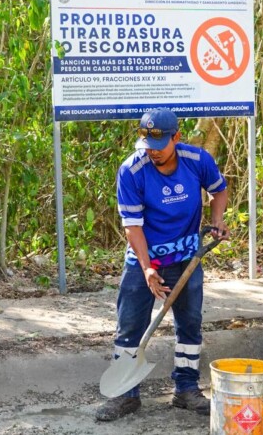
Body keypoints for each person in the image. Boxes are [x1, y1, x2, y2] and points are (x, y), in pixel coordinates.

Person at [95, 108, 230, 421]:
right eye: (148, 145)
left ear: (177, 138)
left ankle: (185, 389)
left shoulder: (198, 161)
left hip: (187, 258)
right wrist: (147, 268)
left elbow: (219, 191)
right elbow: (133, 226)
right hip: (145, 260)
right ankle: (125, 396)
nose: (153, 152)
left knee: (190, 324)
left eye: (160, 145)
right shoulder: (132, 170)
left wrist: (217, 220)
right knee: (130, 326)